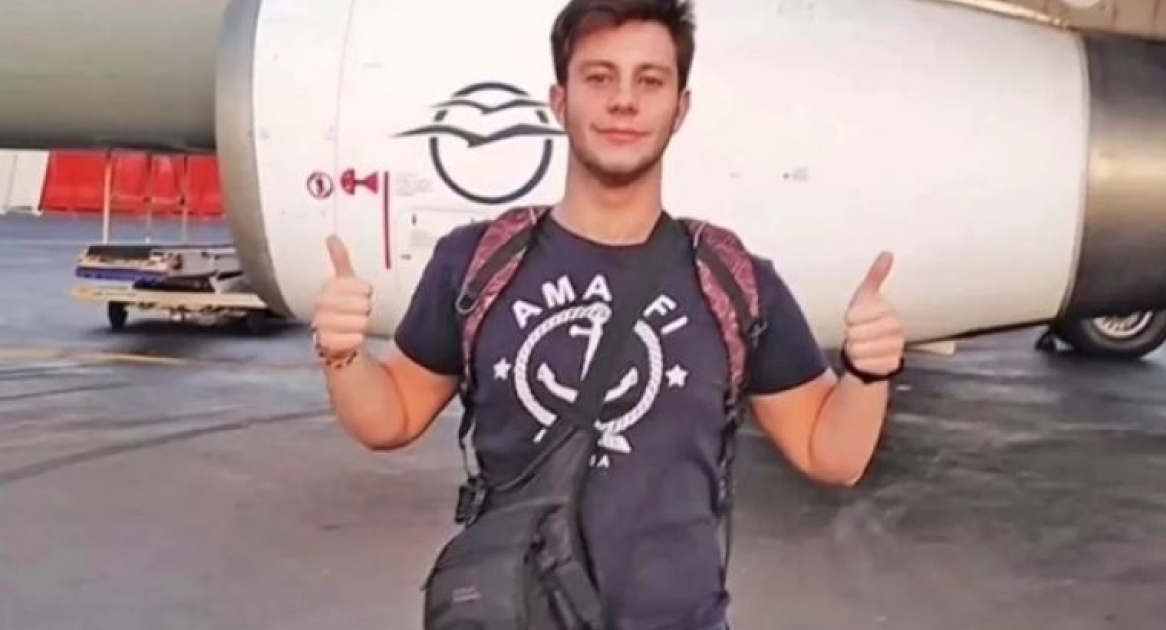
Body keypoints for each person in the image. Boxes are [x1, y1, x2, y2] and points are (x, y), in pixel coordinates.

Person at [312, 0, 907, 628]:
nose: (623, 101)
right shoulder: (479, 264)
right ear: (558, 100)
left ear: (680, 108)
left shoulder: (733, 280)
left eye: (649, 81)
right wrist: (343, 353)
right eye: (599, 77)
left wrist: (869, 372)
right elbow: (390, 418)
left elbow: (830, 454)